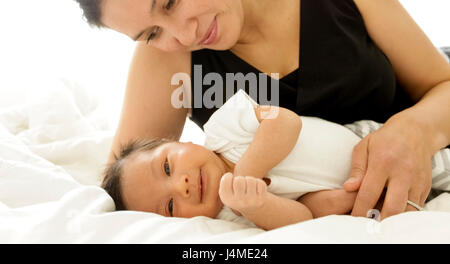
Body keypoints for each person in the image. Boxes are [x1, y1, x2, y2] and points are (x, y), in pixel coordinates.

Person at [64, 0, 450, 220]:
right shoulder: (169, 58)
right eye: (149, 33)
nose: (182, 35)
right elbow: (125, 187)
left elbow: (443, 84)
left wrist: (413, 129)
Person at [101, 90, 450, 230]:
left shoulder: (223, 129)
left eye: (166, 166)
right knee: (326, 207)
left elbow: (285, 122)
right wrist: (255, 205)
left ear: (174, 142)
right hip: (360, 189)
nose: (183, 185)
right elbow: (302, 217)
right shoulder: (230, 216)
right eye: (171, 207)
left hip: (367, 142)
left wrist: (249, 170)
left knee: (440, 164)